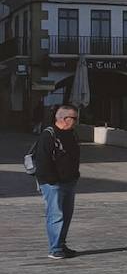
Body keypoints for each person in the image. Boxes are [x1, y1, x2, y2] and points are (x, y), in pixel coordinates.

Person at [35, 104, 81, 259]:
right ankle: (55, 248)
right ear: (63, 119)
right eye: (74, 118)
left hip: (70, 181)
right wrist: (52, 180)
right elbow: (42, 161)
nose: (76, 121)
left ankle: (61, 244)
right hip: (53, 183)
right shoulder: (48, 135)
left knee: (67, 215)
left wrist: (75, 175)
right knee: (56, 215)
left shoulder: (72, 134)